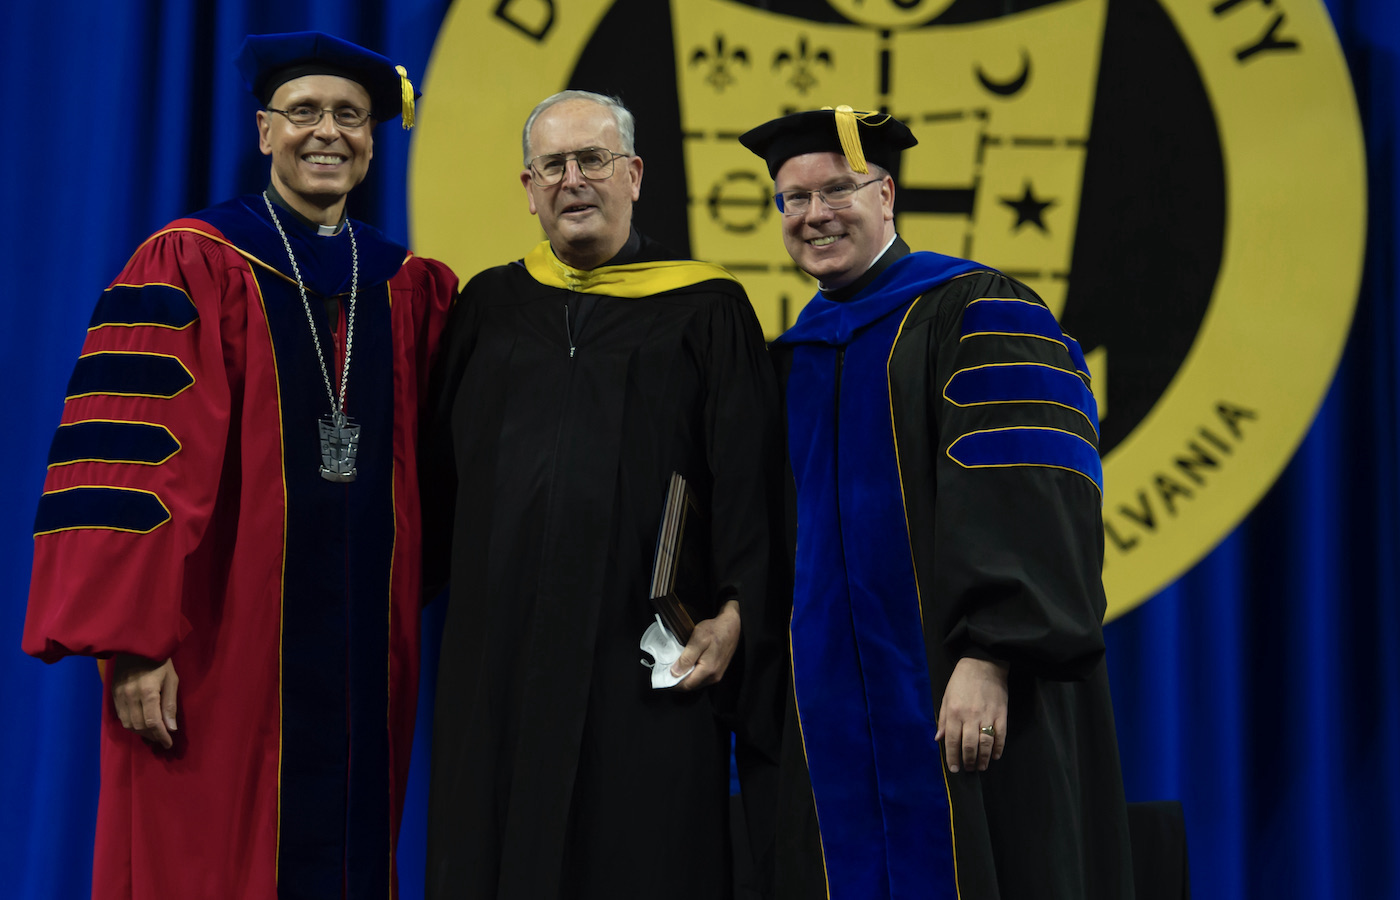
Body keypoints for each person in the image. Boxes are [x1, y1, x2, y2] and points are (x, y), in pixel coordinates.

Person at [22, 32, 457, 900]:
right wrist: (135, 647)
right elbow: (131, 462)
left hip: (366, 658)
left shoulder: (412, 288)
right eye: (303, 112)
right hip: (216, 650)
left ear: (374, 137)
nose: (327, 132)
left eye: (350, 115)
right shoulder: (192, 260)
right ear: (264, 131)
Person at [738, 107, 1134, 899]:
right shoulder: (791, 359)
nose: (814, 215)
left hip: (963, 688)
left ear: (886, 195)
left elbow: (1029, 493)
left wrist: (990, 656)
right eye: (792, 199)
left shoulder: (980, 310)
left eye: (837, 190)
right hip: (832, 709)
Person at [421, 90, 783, 899]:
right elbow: (432, 485)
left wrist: (737, 612)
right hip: (499, 655)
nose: (572, 180)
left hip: (645, 655)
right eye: (553, 165)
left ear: (635, 175)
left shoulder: (705, 309)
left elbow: (752, 485)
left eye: (592, 160)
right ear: (527, 186)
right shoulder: (488, 307)